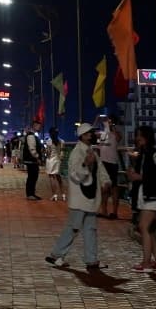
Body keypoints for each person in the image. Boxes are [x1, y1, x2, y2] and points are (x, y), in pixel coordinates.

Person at [46, 122, 102, 270]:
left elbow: (99, 169)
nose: (92, 135)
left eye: (91, 132)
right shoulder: (78, 152)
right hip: (81, 196)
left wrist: (106, 180)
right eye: (89, 133)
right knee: (74, 227)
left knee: (88, 228)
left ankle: (91, 259)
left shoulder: (90, 151)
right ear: (82, 136)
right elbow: (76, 173)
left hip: (87, 196)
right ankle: (57, 254)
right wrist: (85, 164)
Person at [126, 124, 156, 273]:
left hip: (152, 195)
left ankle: (146, 263)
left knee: (144, 227)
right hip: (144, 194)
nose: (137, 138)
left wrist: (140, 177)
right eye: (137, 136)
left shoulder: (154, 154)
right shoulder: (142, 154)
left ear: (146, 137)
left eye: (140, 136)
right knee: (148, 229)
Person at [96, 115, 124, 218]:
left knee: (113, 188)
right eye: (107, 121)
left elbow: (119, 138)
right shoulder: (102, 134)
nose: (107, 122)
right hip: (103, 162)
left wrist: (113, 127)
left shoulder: (116, 133)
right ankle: (104, 211)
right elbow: (97, 145)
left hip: (112, 163)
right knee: (104, 188)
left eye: (109, 121)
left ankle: (115, 212)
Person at [22, 120, 44, 200]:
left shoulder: (32, 135)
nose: (40, 127)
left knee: (32, 176)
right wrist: (37, 157)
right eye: (38, 126)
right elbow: (32, 149)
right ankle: (30, 194)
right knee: (32, 176)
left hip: (31, 160)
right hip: (31, 160)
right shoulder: (31, 136)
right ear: (34, 126)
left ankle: (31, 194)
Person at [44, 128, 65, 202]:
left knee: (52, 177)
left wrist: (45, 152)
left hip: (50, 160)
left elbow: (48, 153)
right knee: (59, 178)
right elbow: (62, 153)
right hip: (58, 160)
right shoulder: (62, 141)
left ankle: (54, 195)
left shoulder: (48, 141)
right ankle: (63, 195)